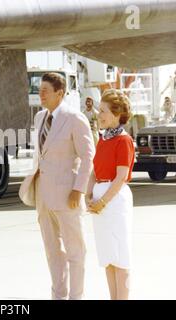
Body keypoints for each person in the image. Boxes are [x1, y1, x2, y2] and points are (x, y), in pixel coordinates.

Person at [32, 72, 95, 300]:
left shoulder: (75, 118)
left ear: (60, 93)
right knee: (52, 252)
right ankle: (58, 296)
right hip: (44, 197)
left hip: (68, 195)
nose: (41, 94)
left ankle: (76, 297)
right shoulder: (40, 118)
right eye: (40, 90)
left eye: (45, 91)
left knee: (75, 251)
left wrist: (79, 189)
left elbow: (88, 157)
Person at [86, 89, 135, 300]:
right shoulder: (103, 139)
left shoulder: (123, 141)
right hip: (100, 199)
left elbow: (121, 177)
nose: (99, 115)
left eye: (104, 111)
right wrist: (88, 195)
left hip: (114, 200)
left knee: (120, 255)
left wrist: (102, 202)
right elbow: (94, 171)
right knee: (107, 256)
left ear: (116, 114)